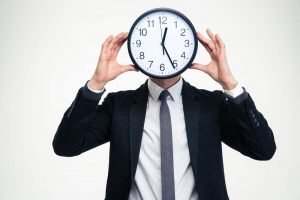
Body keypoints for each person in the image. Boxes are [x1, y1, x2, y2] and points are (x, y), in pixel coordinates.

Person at [52, 29, 276, 200]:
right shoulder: (119, 106)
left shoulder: (211, 105)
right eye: (155, 48)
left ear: (187, 53)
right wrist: (96, 84)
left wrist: (230, 85)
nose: (162, 53)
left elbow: (263, 149)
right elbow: (65, 146)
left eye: (173, 46)